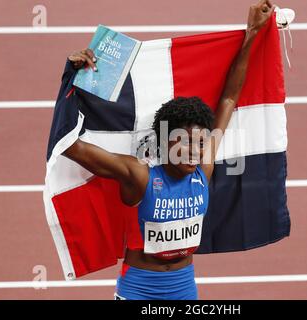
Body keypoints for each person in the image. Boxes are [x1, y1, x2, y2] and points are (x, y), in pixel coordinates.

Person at [64, 0, 276, 300]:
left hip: (184, 289)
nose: (193, 151)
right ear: (165, 142)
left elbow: (229, 98)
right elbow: (72, 148)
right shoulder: (139, 175)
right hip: (138, 290)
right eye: (184, 142)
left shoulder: (204, 167)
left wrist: (252, 33)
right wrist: (73, 81)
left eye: (200, 143)